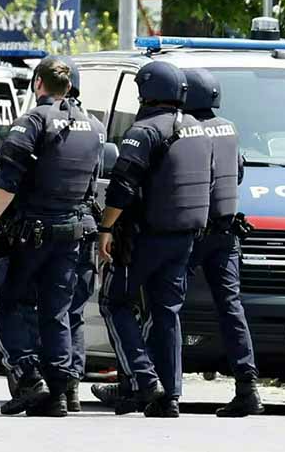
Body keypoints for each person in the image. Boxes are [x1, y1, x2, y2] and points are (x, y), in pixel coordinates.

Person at [0, 56, 105, 417]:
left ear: (37, 84)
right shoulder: (95, 126)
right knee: (57, 312)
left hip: (33, 232)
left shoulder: (33, 121)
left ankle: (28, 376)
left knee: (5, 305)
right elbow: (92, 182)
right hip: (73, 232)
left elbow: (7, 182)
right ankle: (61, 393)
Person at [97, 60, 213, 418]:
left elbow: (122, 185)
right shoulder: (198, 129)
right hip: (185, 237)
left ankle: (144, 379)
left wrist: (106, 228)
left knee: (113, 302)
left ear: (148, 91)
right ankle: (170, 396)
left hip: (144, 237)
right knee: (167, 313)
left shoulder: (144, 131)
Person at [178, 68, 264, 417]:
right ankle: (248, 387)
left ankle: (152, 385)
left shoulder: (187, 129)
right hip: (226, 233)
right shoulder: (229, 129)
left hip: (192, 231)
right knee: (231, 308)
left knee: (163, 304)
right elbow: (237, 173)